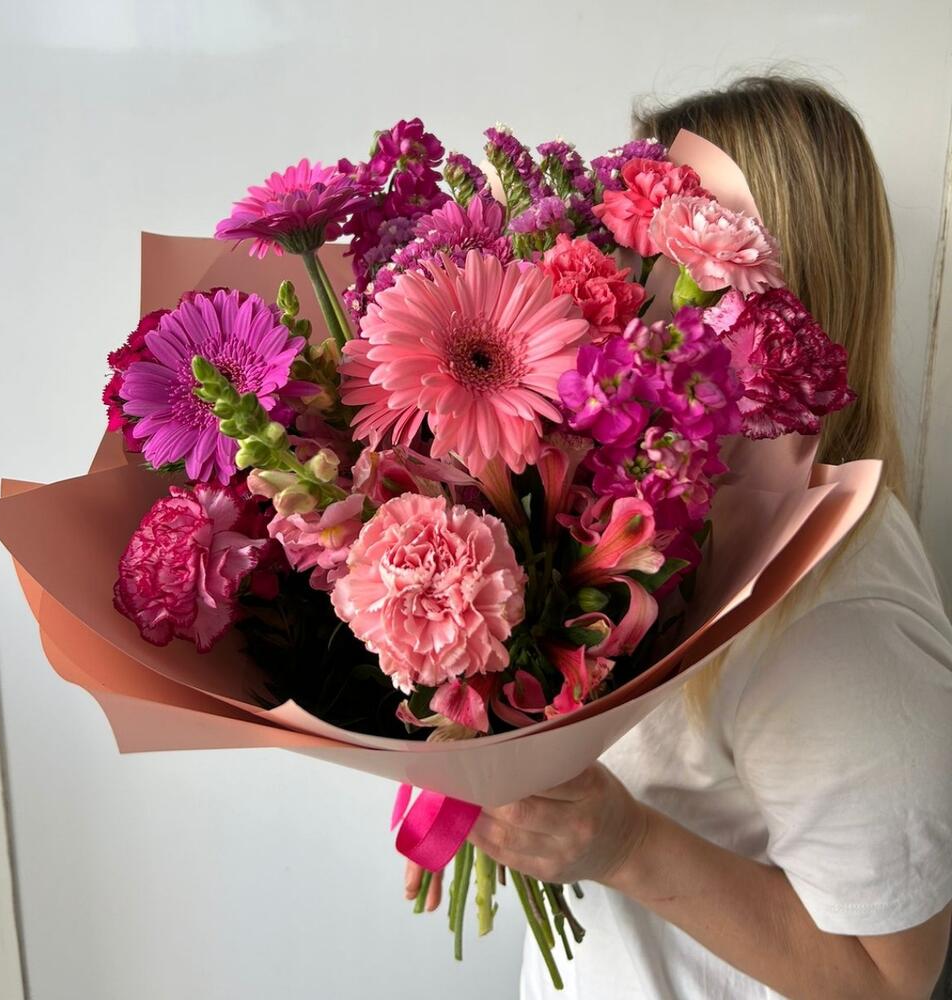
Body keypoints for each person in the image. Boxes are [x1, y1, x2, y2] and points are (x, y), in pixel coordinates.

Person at [404, 75, 952, 998]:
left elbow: (891, 981)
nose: (630, 272)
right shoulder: (638, 497)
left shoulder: (843, 617)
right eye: (633, 226)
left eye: (677, 242)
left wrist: (625, 844)